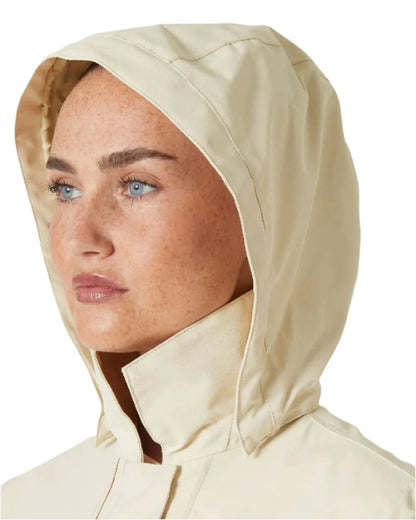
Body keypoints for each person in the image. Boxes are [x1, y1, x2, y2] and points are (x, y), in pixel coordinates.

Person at [1, 22, 414, 519]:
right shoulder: (24, 504)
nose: (76, 238)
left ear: (266, 209)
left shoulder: (374, 507)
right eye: (65, 189)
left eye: (136, 185)